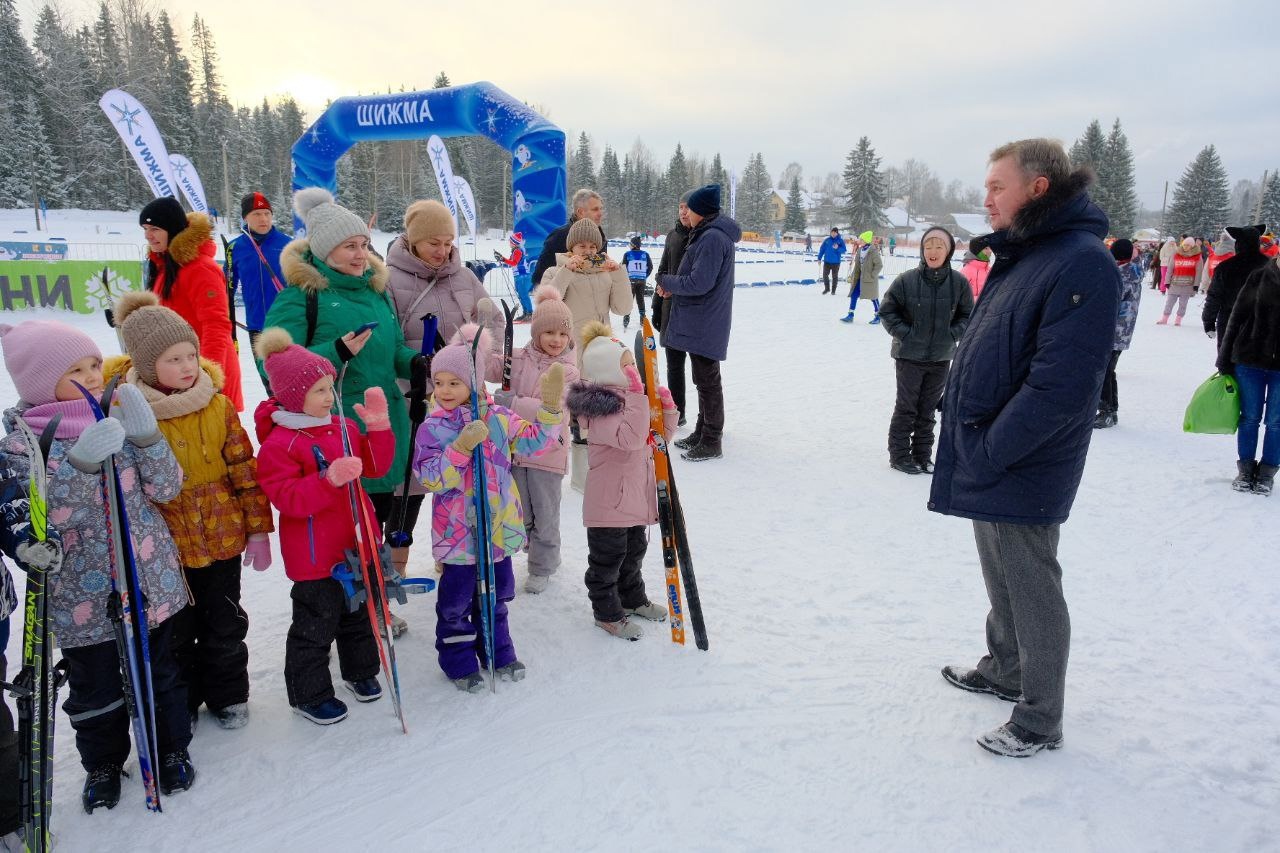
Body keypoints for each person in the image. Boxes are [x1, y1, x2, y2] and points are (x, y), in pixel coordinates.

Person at [931, 138, 1120, 758]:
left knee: (1030, 579)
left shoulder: (1080, 261)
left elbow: (1060, 388)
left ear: (1038, 188)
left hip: (1024, 456)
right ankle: (1006, 667)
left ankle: (1040, 717)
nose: (985, 199)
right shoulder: (1029, 253)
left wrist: (990, 449)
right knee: (998, 567)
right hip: (989, 446)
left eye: (996, 187)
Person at [0, 320, 195, 809]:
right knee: (96, 690)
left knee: (161, 674)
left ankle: (171, 748)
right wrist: (78, 468)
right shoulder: (23, 446)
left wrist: (147, 437)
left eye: (94, 365)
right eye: (75, 370)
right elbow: (42, 524)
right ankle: (104, 762)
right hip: (81, 597)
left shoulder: (115, 419)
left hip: (149, 578)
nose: (92, 376)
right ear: (41, 383)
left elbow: (168, 488)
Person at [106, 291, 274, 730]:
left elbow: (243, 468)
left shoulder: (216, 404)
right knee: (175, 631)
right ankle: (183, 699)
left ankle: (228, 694)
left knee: (224, 622)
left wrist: (257, 529)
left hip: (221, 536)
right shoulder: (128, 414)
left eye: (191, 355)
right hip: (165, 547)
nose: (186, 367)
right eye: (172, 359)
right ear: (144, 366)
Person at [261, 188, 425, 635]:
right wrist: (332, 352)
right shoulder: (302, 296)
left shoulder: (376, 292)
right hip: (334, 433)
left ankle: (373, 605)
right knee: (346, 528)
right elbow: (274, 364)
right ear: (323, 250)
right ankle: (348, 613)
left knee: (375, 525)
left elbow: (390, 354)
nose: (361, 254)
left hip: (383, 425)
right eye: (350, 246)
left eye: (363, 244)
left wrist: (417, 362)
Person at [413, 326, 564, 691]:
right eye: (440, 382)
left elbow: (536, 444)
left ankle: (499, 652)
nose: (445, 391)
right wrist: (460, 449)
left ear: (476, 382)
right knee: (456, 603)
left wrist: (550, 409)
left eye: (455, 383)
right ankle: (459, 662)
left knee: (495, 598)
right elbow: (431, 478)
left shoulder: (498, 417)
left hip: (496, 528)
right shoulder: (433, 427)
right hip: (459, 534)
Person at [253, 329, 391, 724]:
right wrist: (327, 480)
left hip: (355, 541)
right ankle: (308, 693)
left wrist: (378, 428)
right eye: (318, 390)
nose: (329, 397)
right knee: (316, 625)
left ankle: (361, 671)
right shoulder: (281, 444)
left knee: (359, 613)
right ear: (295, 396)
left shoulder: (344, 427)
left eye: (330, 387)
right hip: (315, 556)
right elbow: (288, 499)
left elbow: (377, 468)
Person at [384, 199, 496, 575]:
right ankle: (395, 571)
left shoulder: (463, 277)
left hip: (462, 402)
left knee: (460, 483)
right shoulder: (390, 280)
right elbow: (387, 342)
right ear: (413, 240)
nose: (442, 250)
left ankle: (452, 556)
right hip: (411, 401)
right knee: (410, 488)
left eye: (448, 241)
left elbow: (489, 324)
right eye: (434, 241)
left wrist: (485, 346)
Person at [565, 322, 677, 640]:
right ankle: (607, 613)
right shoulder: (601, 408)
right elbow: (629, 439)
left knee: (634, 552)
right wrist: (641, 398)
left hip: (631, 499)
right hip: (609, 503)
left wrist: (667, 409)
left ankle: (632, 598)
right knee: (608, 560)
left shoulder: (629, 400)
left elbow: (655, 440)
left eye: (633, 364)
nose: (634, 371)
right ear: (609, 370)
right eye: (627, 366)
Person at [487, 287, 579, 593]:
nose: (556, 340)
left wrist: (511, 404)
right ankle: (533, 548)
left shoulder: (568, 371)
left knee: (546, 513)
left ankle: (543, 565)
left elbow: (555, 412)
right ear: (537, 332)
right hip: (515, 451)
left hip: (548, 454)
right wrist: (485, 334)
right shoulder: (518, 358)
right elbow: (488, 365)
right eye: (549, 332)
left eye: (562, 334)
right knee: (520, 510)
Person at [878, 226, 974, 474]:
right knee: (907, 407)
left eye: (939, 246)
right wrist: (906, 334)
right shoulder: (906, 281)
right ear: (922, 250)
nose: (933, 251)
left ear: (948, 251)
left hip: (940, 357)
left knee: (928, 409)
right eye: (928, 246)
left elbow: (968, 315)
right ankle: (899, 456)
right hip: (909, 356)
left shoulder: (959, 283)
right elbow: (887, 311)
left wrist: (952, 334)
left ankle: (923, 456)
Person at [657, 184, 741, 462]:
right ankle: (701, 429)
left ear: (701, 212)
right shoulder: (707, 234)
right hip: (701, 318)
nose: (686, 214)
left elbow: (699, 282)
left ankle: (711, 438)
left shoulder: (712, 238)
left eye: (689, 210)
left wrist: (668, 282)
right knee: (702, 379)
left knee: (707, 381)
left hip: (705, 320)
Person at [139, 196, 244, 412]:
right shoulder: (166, 267)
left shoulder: (199, 268)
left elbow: (216, 325)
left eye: (155, 228)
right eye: (145, 228)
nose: (149, 235)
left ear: (172, 228)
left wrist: (205, 376)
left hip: (204, 374)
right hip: (181, 372)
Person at [1216, 257, 1280, 496]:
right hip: (1249, 360)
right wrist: (1224, 358)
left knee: (1276, 422)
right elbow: (1236, 318)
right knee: (1250, 417)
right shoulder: (1258, 276)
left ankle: (1266, 473)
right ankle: (1245, 469)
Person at [540, 218, 632, 340]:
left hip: (602, 346)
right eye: (582, 246)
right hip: (569, 348)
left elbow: (623, 309)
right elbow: (546, 309)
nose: (588, 251)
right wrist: (566, 271)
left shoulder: (606, 274)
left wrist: (618, 275)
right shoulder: (553, 272)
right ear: (571, 247)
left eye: (593, 247)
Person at [227, 192, 290, 359]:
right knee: (266, 379)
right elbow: (226, 289)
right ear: (245, 218)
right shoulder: (235, 248)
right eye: (256, 214)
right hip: (257, 326)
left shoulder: (288, 244)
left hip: (288, 323)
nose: (263, 219)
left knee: (292, 380)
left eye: (267, 214)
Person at [1095, 239, 1149, 428]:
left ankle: (1107, 411)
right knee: (1108, 371)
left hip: (1113, 331)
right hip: (1120, 331)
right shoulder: (1131, 271)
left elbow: (1108, 304)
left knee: (1104, 372)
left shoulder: (1122, 276)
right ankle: (1110, 410)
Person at [652, 194, 693, 426]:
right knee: (674, 365)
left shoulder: (701, 236)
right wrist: (657, 307)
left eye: (688, 208)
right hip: (671, 309)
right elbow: (662, 269)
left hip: (693, 311)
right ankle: (678, 412)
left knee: (700, 370)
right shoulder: (673, 235)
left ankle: (707, 420)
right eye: (680, 207)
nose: (683, 212)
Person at [1203, 224, 1269, 343]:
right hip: (1261, 323)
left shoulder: (1225, 267)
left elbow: (1214, 296)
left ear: (1238, 243)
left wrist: (1208, 321)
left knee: (1228, 357)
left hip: (1230, 320)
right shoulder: (1270, 266)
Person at [532, 189, 608, 292]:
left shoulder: (601, 237)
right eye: (595, 209)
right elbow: (539, 278)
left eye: (600, 209)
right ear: (580, 212)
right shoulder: (559, 236)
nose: (600, 213)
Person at [1157, 237, 1203, 325]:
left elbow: (1199, 272)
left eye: (1188, 245)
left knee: (1183, 304)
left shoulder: (1197, 257)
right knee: (1169, 302)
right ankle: (1164, 318)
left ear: (1192, 246)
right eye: (1184, 245)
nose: (1185, 247)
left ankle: (1178, 320)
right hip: (1175, 283)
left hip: (1188, 285)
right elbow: (1170, 269)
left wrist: (1196, 285)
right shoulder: (1176, 254)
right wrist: (1167, 281)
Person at [841, 230, 883, 323]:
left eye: (861, 239)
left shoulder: (873, 251)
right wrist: (853, 276)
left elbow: (879, 265)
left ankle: (878, 316)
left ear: (865, 240)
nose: (859, 240)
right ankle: (850, 315)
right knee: (854, 294)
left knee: (873, 297)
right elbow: (857, 265)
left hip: (869, 279)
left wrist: (872, 275)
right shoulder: (860, 250)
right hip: (859, 278)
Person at [621, 235, 653, 331]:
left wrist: (626, 277)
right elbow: (650, 267)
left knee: (629, 299)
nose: (629, 246)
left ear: (634, 245)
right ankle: (642, 318)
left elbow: (623, 267)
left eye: (631, 244)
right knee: (640, 299)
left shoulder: (627, 254)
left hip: (631, 280)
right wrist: (644, 276)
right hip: (642, 280)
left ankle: (626, 317)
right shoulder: (645, 254)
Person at [816, 227, 847, 294]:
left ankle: (833, 290)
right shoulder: (827, 240)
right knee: (825, 275)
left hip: (836, 262)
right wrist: (819, 258)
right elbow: (822, 250)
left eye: (835, 232)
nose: (833, 234)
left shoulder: (840, 241)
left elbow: (844, 250)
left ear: (837, 233)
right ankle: (827, 288)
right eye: (832, 232)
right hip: (827, 261)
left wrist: (837, 248)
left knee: (834, 277)